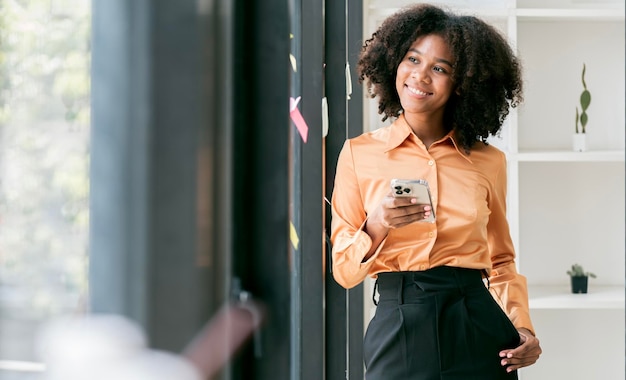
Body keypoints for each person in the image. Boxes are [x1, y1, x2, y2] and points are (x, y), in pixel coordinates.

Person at [329, 4, 542, 379]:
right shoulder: (358, 154)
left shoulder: (489, 161)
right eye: (412, 59)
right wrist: (376, 225)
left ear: (462, 84)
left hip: (477, 323)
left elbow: (502, 262)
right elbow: (343, 271)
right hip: (399, 320)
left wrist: (522, 326)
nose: (420, 75)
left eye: (439, 68)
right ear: (395, 62)